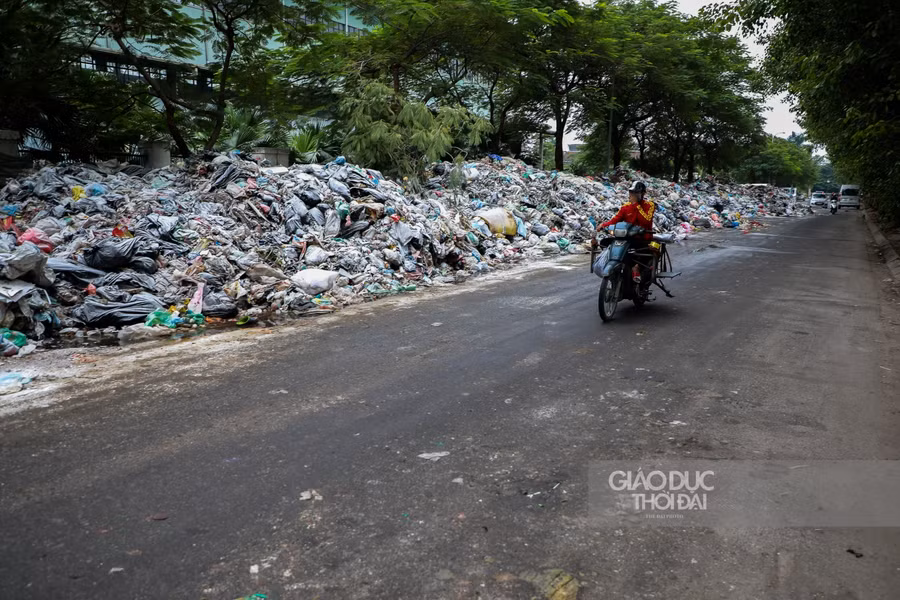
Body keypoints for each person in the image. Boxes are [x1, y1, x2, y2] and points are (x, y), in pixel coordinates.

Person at [595, 180, 656, 287]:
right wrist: (603, 225)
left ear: (643, 194)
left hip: (643, 239)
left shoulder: (649, 205)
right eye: (632, 193)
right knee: (607, 243)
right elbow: (615, 220)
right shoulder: (625, 207)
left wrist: (636, 205)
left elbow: (646, 221)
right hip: (627, 238)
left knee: (645, 253)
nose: (633, 195)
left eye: (636, 193)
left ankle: (637, 268)